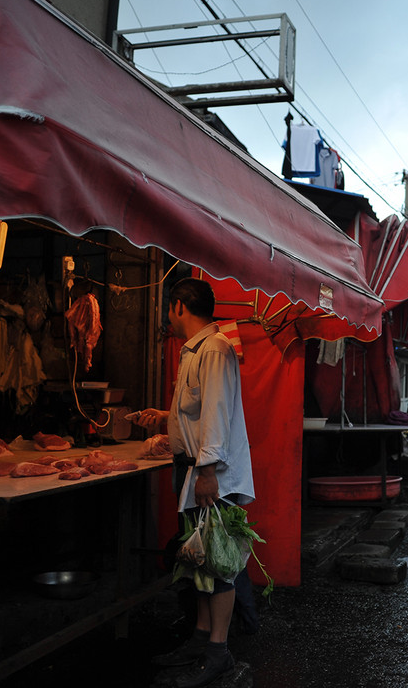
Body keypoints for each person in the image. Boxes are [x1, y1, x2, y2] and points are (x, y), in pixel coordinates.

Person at [132, 278, 254, 688]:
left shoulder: (215, 349)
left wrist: (206, 472)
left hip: (212, 477)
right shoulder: (194, 350)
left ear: (179, 306)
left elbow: (216, 413)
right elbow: (195, 411)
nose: (168, 316)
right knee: (198, 559)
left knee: (218, 563)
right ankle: (201, 639)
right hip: (195, 470)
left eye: (169, 308)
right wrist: (165, 419)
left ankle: (218, 653)